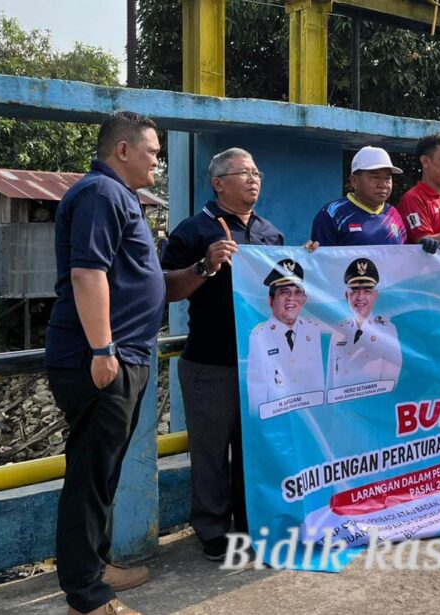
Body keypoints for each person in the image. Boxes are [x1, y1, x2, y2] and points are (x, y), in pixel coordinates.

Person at [45, 111, 163, 615]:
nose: (157, 161)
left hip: (122, 356)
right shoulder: (101, 193)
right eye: (152, 152)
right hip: (98, 359)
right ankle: (87, 596)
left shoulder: (122, 197)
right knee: (90, 477)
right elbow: (87, 273)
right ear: (123, 150)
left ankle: (96, 564)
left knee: (104, 472)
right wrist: (102, 349)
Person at [161, 148, 302, 561]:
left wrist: (308, 260)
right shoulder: (194, 231)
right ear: (218, 183)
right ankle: (212, 529)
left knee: (255, 447)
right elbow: (165, 288)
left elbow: (287, 292)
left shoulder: (270, 234)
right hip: (211, 361)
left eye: (257, 172)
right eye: (244, 172)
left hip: (261, 362)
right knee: (209, 451)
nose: (254, 178)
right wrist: (205, 267)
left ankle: (251, 522)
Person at [247, 259, 324, 411]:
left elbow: (318, 380)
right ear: (271, 301)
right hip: (277, 417)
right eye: (284, 292)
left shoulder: (313, 330)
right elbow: (257, 391)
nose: (291, 298)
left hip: (311, 415)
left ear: (304, 298)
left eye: (297, 292)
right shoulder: (259, 336)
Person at [327, 258, 402, 392]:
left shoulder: (387, 330)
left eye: (367, 291)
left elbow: (390, 384)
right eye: (355, 290)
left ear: (375, 295)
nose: (360, 297)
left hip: (370, 403)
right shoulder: (340, 329)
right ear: (347, 295)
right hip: (341, 403)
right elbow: (331, 381)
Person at [310, 146, 409, 247]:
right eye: (375, 177)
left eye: (387, 178)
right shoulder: (332, 213)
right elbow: (321, 255)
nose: (383, 185)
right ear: (354, 181)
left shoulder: (393, 214)